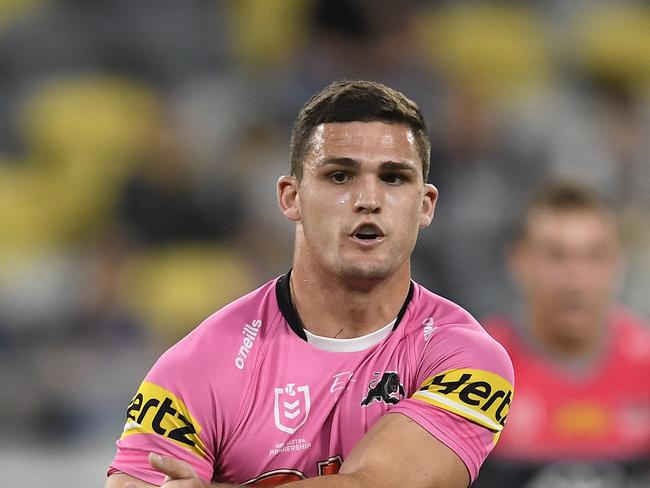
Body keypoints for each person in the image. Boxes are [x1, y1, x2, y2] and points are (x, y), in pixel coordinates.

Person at [105, 80, 514, 488]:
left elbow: (377, 485)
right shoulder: (198, 367)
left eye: (393, 178)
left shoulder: (466, 359)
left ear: (424, 206)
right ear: (290, 197)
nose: (368, 199)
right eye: (340, 176)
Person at [473, 181, 650, 488]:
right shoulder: (475, 369)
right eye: (556, 256)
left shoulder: (646, 365)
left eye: (594, 256)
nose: (576, 278)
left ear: (618, 263)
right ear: (518, 261)